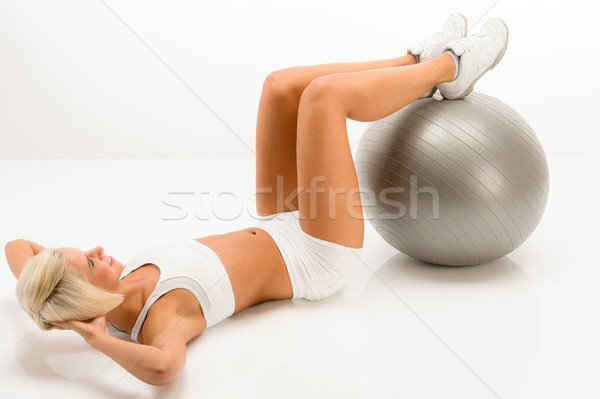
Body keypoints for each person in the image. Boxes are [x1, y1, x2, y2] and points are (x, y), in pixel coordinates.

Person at [4, 13, 509, 386]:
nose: (98, 248)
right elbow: (162, 370)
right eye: (90, 262)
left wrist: (55, 309)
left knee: (282, 86)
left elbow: (16, 246)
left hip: (278, 222)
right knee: (325, 99)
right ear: (88, 296)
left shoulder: (112, 289)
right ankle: (448, 67)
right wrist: (95, 338)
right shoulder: (164, 315)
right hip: (315, 253)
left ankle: (410, 64)